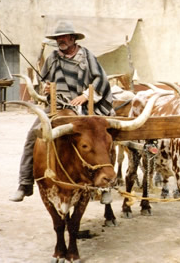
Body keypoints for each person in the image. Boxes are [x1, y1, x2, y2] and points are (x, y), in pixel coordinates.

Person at [10, 20, 113, 202]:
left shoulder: (87, 57)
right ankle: (25, 184)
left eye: (64, 37)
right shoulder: (52, 58)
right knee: (32, 137)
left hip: (84, 107)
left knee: (101, 140)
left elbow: (101, 80)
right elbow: (45, 82)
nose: (60, 40)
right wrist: (47, 89)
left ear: (73, 38)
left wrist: (85, 95)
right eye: (58, 38)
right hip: (56, 106)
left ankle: (106, 186)